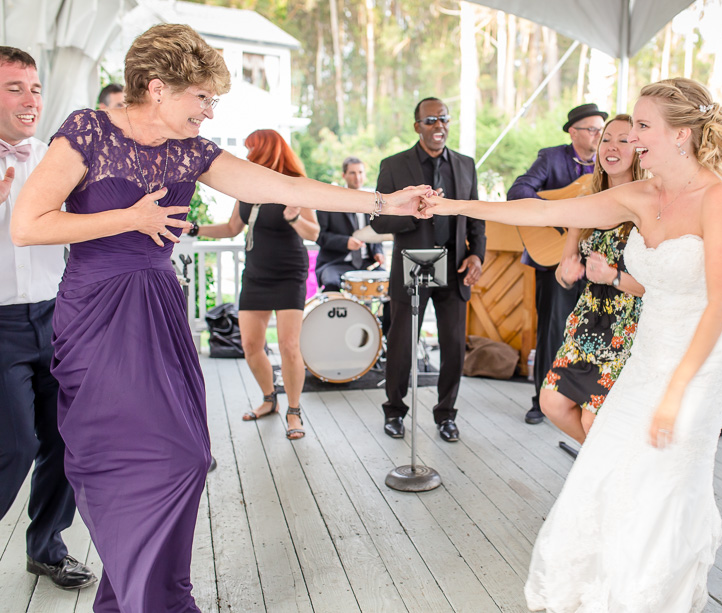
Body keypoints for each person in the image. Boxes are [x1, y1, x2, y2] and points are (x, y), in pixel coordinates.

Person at [10, 23, 426, 611]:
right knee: (117, 457)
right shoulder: (88, 131)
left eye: (213, 100)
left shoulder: (192, 152)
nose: (209, 111)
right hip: (98, 309)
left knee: (185, 456)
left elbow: (284, 183)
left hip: (157, 304)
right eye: (201, 97)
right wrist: (128, 219)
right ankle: (150, 599)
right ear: (156, 88)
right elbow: (28, 225)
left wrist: (383, 202)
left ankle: (138, 593)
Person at [423, 77, 722, 611]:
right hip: (648, 353)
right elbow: (545, 213)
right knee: (606, 466)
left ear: (683, 135)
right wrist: (451, 206)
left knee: (665, 482)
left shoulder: (719, 199)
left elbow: (717, 304)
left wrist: (675, 392)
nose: (630, 137)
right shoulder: (639, 195)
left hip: (701, 362)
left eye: (643, 126)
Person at [0, 45, 97, 591]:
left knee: (65, 439)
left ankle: (47, 548)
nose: (30, 98)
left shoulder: (54, 159)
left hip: (58, 318)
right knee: (13, 445)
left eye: (34, 88)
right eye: (14, 87)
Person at [371, 97, 486, 443]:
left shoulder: (465, 165)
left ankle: (446, 415)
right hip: (413, 264)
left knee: (452, 346)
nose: (439, 126)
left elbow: (475, 216)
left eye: (444, 119)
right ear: (417, 126)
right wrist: (413, 211)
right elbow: (378, 222)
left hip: (455, 267)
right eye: (431, 120)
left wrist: (477, 255)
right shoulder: (394, 165)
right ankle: (394, 410)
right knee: (403, 344)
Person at [194, 129, 320, 440]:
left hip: (289, 272)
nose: (247, 156)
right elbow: (231, 228)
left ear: (266, 151)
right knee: (250, 346)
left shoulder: (295, 185)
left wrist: (293, 218)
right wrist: (194, 228)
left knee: (290, 346)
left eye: (251, 149)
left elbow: (313, 233)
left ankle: (294, 411)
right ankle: (269, 399)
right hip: (256, 273)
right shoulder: (247, 188)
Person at [540, 114, 646, 444]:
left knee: (592, 420)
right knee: (552, 403)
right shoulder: (584, 205)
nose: (612, 146)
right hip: (585, 326)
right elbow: (563, 273)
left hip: (627, 330)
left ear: (640, 149)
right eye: (606, 139)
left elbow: (659, 288)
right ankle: (605, 472)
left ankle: (607, 482)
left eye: (623, 140)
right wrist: (568, 273)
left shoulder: (649, 208)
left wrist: (613, 276)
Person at [508, 102, 607, 425]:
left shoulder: (609, 163)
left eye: (600, 129)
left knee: (590, 332)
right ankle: (541, 400)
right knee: (552, 330)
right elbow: (518, 190)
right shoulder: (552, 158)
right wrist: (557, 213)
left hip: (596, 262)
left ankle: (579, 400)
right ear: (572, 132)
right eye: (591, 129)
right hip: (551, 259)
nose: (598, 134)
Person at [315, 156, 386, 291]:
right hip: (335, 263)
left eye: (360, 172)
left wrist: (378, 252)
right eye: (352, 173)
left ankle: (379, 313)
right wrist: (345, 242)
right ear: (344, 175)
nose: (357, 177)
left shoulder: (372, 202)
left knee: (392, 286)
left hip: (367, 264)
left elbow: (376, 233)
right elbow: (319, 236)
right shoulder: (328, 202)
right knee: (331, 283)